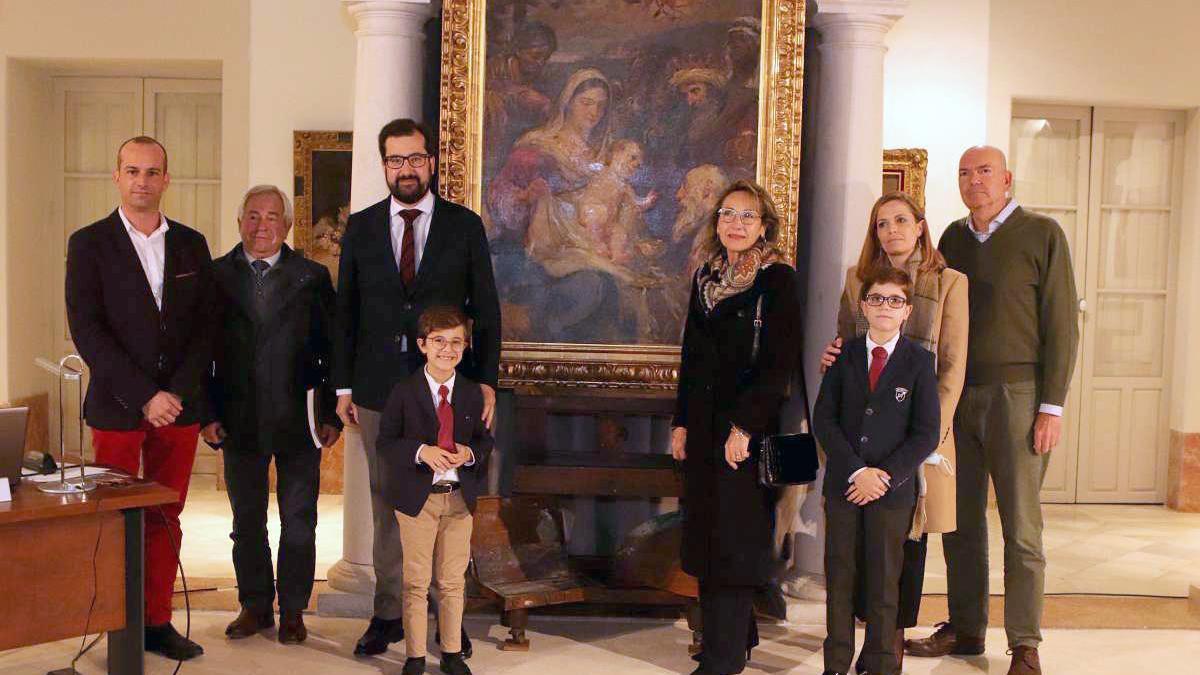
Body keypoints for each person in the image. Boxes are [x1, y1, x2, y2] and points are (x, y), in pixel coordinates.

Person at [904, 146, 1079, 675]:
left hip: (1018, 396)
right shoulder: (953, 240)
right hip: (959, 396)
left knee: (1021, 527)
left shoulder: (1042, 234)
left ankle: (1025, 644)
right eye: (964, 173)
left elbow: (1063, 326)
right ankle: (966, 626)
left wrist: (1051, 406)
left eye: (984, 172)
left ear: (1006, 179)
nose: (973, 181)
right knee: (959, 520)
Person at [335, 118, 501, 657]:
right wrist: (342, 387)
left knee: (449, 503)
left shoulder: (463, 226)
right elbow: (346, 314)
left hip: (448, 387)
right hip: (379, 390)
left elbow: (487, 309)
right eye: (394, 160)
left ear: (430, 162)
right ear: (383, 166)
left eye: (414, 158)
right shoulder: (360, 229)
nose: (405, 168)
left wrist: (488, 383)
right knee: (390, 503)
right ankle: (389, 613)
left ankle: (445, 622)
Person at [65, 136, 214, 661]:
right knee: (115, 520)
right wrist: (144, 395)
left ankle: (157, 621)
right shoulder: (88, 243)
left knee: (165, 515)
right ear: (117, 175)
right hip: (118, 405)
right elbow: (87, 330)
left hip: (179, 406)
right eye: (133, 171)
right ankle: (116, 625)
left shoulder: (193, 244)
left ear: (166, 179)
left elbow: (205, 329)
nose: (142, 181)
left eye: (153, 172)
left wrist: (172, 394)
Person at [819, 191, 968, 671]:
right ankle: (853, 651)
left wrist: (918, 449)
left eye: (902, 221)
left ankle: (888, 648)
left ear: (920, 226)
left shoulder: (949, 283)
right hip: (859, 445)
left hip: (917, 442)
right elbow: (845, 351)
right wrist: (830, 357)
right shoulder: (857, 281)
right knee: (850, 562)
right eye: (882, 224)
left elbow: (951, 368)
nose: (892, 231)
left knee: (903, 552)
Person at [670, 179, 801, 675]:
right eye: (728, 214)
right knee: (706, 537)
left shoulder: (777, 280)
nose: (736, 224)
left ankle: (724, 658)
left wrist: (744, 428)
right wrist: (681, 422)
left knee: (735, 542)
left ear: (764, 225)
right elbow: (692, 357)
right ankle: (726, 638)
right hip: (703, 430)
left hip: (749, 433)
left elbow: (778, 364)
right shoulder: (706, 277)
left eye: (747, 216)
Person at [202, 185, 341, 645]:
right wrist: (206, 412)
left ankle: (294, 610)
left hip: (299, 419)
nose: (262, 226)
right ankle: (255, 606)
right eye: (253, 216)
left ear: (287, 225)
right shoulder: (216, 275)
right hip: (238, 418)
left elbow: (331, 348)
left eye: (272, 217)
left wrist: (331, 415)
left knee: (300, 520)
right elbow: (200, 352)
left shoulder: (312, 277)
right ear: (239, 220)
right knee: (247, 521)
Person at [814, 266, 941, 675]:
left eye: (895, 300)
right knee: (841, 575)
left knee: (887, 579)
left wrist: (883, 476)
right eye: (877, 299)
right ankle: (836, 661)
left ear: (907, 311)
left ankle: (883, 662)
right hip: (845, 488)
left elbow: (925, 433)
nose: (885, 307)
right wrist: (855, 472)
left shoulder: (920, 362)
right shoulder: (843, 354)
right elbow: (825, 421)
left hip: (891, 491)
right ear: (864, 305)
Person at [376, 307, 495, 675]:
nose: (448, 349)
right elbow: (386, 442)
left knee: (452, 581)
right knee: (415, 580)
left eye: (456, 342)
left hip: (459, 502)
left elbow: (484, 441)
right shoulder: (403, 391)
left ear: (465, 347)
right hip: (418, 501)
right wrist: (421, 451)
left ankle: (451, 653)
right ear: (423, 345)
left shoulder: (473, 393)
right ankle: (414, 655)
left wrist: (470, 453)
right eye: (439, 341)